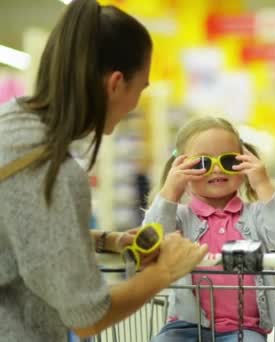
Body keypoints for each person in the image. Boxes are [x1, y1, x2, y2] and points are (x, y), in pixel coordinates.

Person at [0, 1, 207, 341]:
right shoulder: (49, 170)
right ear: (115, 84)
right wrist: (164, 272)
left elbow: (20, 231)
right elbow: (86, 316)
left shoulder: (11, 126)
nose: (136, 103)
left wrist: (105, 240)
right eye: (140, 89)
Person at [144, 117, 275, 342]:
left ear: (245, 163)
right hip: (184, 324)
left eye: (228, 161)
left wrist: (263, 184)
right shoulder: (179, 218)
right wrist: (170, 192)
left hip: (244, 328)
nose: (217, 169)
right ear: (180, 168)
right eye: (202, 163)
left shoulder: (256, 215)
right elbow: (150, 242)